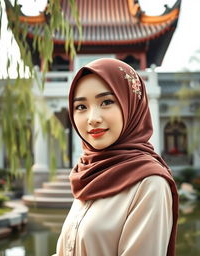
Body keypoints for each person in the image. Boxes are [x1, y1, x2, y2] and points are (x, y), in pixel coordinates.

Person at [53, 58, 179, 256]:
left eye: (106, 102)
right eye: (81, 107)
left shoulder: (149, 184)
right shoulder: (88, 174)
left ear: (131, 106)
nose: (93, 118)